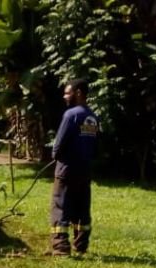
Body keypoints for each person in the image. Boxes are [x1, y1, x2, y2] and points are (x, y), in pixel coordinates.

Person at [50, 78, 99, 256]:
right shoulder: (92, 116)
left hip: (66, 170)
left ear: (78, 93)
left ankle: (61, 247)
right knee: (81, 208)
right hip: (84, 170)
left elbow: (59, 144)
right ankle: (81, 244)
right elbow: (95, 145)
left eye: (67, 92)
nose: (64, 96)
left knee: (61, 205)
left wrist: (55, 154)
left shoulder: (71, 115)